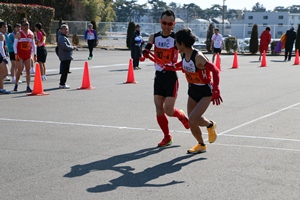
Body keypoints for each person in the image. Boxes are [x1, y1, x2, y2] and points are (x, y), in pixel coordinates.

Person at [142, 9, 190, 147]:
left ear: (174, 24)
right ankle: (167, 136)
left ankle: (180, 116)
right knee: (159, 108)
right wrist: (145, 52)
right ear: (160, 22)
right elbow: (147, 47)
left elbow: (186, 56)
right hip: (158, 77)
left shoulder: (176, 39)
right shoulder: (154, 37)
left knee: (169, 110)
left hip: (171, 77)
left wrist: (178, 66)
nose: (166, 26)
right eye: (164, 23)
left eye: (170, 24)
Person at [173, 28, 222, 153]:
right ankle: (201, 144)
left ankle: (210, 125)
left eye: (176, 43)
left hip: (205, 91)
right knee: (192, 121)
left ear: (182, 44)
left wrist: (216, 90)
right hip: (192, 89)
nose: (175, 45)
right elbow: (183, 64)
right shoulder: (182, 53)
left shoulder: (198, 57)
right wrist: (172, 67)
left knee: (194, 118)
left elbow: (215, 70)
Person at [13, 18, 36, 92]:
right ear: (22, 26)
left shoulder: (31, 34)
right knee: (19, 70)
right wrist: (16, 53)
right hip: (20, 54)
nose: (26, 26)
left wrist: (35, 54)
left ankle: (28, 86)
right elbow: (14, 45)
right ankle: (16, 84)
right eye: (24, 25)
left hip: (27, 54)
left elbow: (34, 45)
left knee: (28, 70)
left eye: (27, 24)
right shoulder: (19, 34)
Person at [57, 24, 76, 89]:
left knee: (65, 71)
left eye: (67, 29)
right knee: (65, 71)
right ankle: (62, 83)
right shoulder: (61, 37)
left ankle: (62, 83)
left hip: (66, 56)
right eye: (65, 29)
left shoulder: (64, 37)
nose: (66, 30)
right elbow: (64, 47)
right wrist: (72, 47)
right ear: (61, 30)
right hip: (65, 57)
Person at [0, 20, 11, 94]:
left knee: (1, 73)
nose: (5, 29)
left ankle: (1, 88)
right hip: (0, 56)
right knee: (6, 73)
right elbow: (0, 48)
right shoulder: (1, 35)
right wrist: (4, 57)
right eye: (4, 27)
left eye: (6, 27)